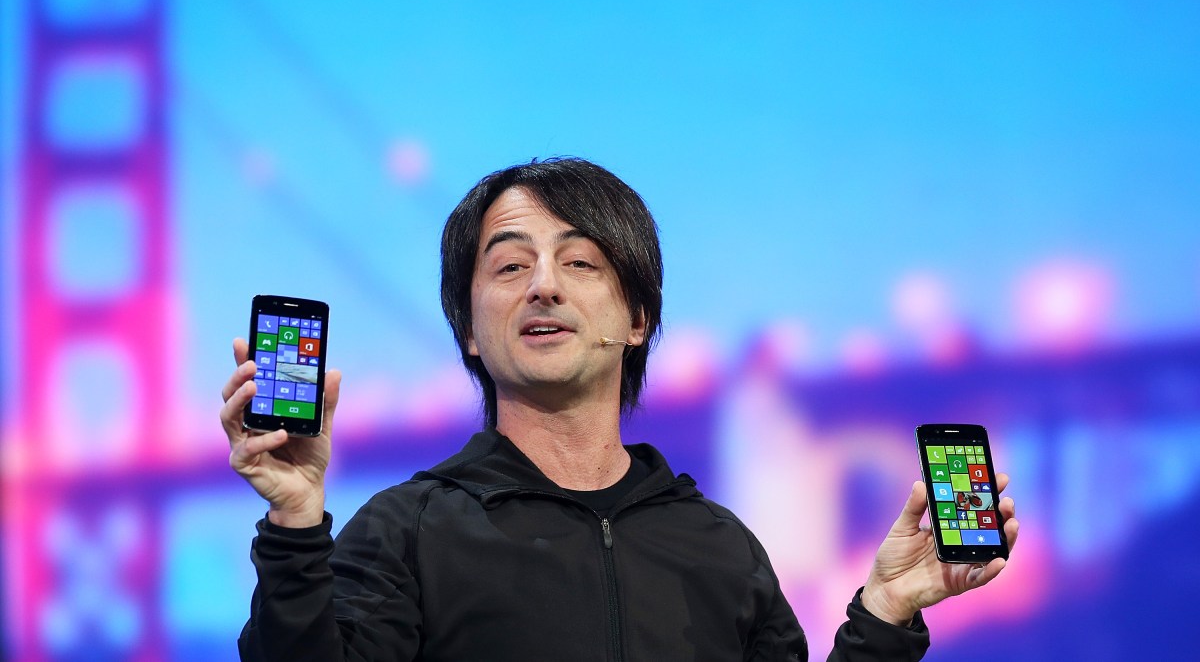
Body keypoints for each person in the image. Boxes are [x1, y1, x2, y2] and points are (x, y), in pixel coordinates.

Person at [221, 157, 1019, 661]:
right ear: (468, 330)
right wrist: (295, 525)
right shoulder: (405, 531)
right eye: (508, 265)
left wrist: (884, 610)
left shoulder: (719, 546)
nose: (544, 284)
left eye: (579, 260)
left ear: (637, 319)